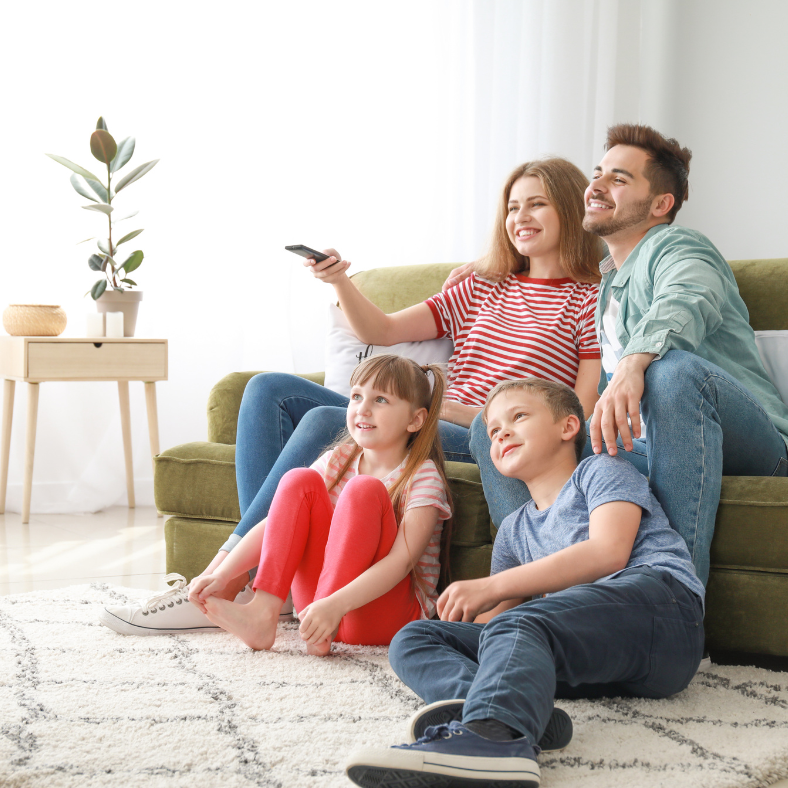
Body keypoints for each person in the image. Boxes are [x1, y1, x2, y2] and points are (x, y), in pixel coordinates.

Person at [101, 156, 604, 634]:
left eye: (536, 203)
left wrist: (457, 410)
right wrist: (340, 280)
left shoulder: (589, 299)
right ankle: (241, 577)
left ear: (569, 208)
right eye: (513, 206)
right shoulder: (480, 285)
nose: (521, 216)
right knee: (267, 390)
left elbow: (577, 409)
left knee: (325, 420)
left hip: (476, 430)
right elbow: (382, 330)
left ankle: (224, 582)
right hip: (428, 411)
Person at [464, 124, 788, 586]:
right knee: (490, 427)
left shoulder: (679, 247)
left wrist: (635, 364)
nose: (595, 186)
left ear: (660, 205)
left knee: (670, 374)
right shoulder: (608, 281)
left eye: (618, 179)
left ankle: (672, 598)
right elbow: (544, 243)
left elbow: (687, 297)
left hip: (746, 439)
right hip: (640, 445)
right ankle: (538, 596)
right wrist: (482, 264)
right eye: (597, 175)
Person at [344, 378, 705, 788]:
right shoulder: (515, 530)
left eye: (518, 417)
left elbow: (609, 552)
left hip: (664, 617)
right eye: (494, 430)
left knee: (522, 622)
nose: (502, 433)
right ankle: (504, 712)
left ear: (568, 427)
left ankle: (491, 741)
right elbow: (493, 632)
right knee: (415, 638)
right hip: (592, 661)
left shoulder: (600, 472)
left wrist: (491, 587)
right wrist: (463, 622)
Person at [104, 355, 452, 652]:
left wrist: (335, 605)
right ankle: (263, 612)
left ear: (415, 420)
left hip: (378, 616)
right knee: (297, 481)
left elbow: (400, 563)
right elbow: (276, 523)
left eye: (381, 400)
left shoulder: (422, 476)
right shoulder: (339, 459)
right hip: (316, 610)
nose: (362, 408)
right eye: (356, 396)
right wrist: (222, 573)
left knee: (364, 491)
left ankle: (323, 619)